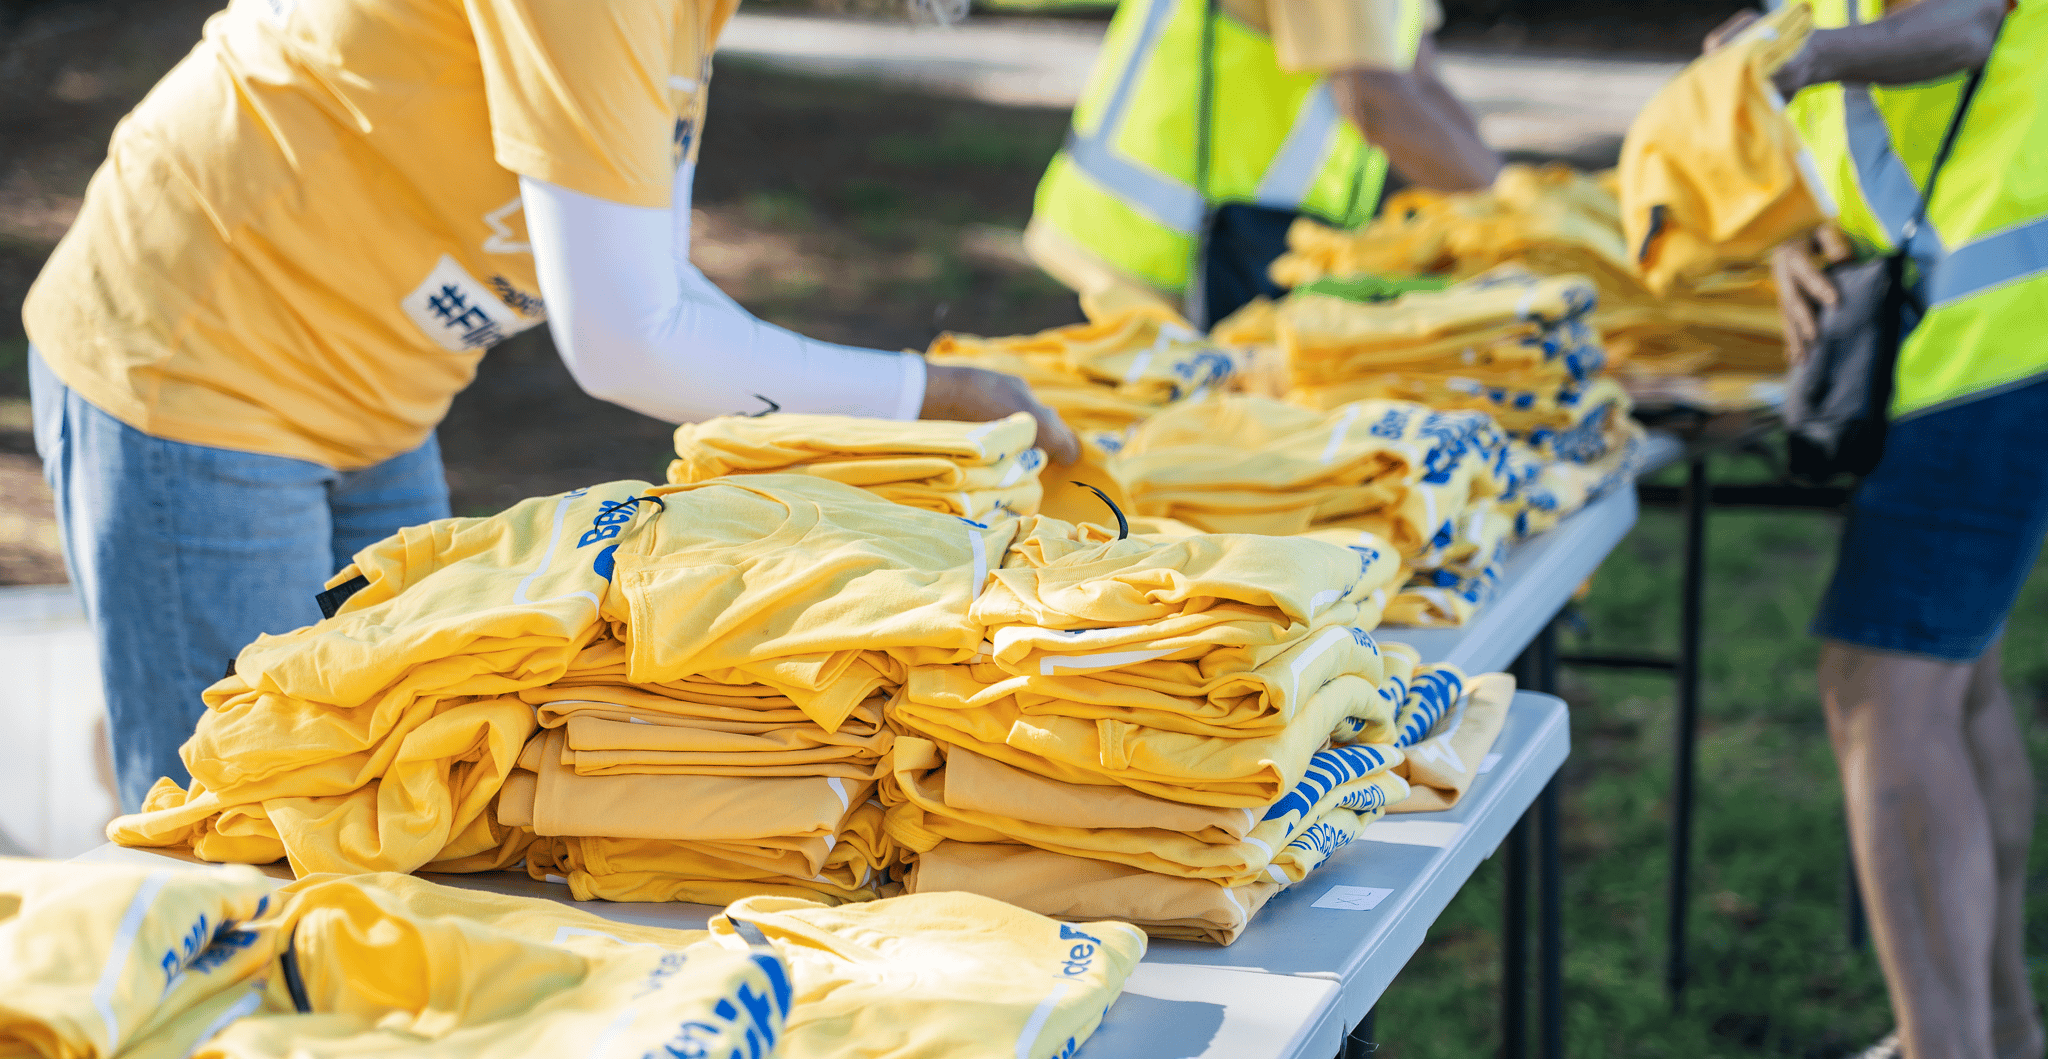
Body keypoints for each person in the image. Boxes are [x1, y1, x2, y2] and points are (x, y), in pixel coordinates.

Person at [23, 0, 1078, 815]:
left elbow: (644, 275)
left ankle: (143, 728)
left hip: (378, 396)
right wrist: (926, 398)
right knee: (246, 836)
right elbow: (625, 341)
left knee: (401, 794)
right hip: (196, 368)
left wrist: (902, 403)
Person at [1702, 0, 2048, 1059]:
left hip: (1990, 339)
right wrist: (1808, 227)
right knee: (1952, 682)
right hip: (1971, 324)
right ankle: (1992, 1040)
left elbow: (1958, 23)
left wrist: (1783, 62)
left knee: (1881, 692)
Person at [1024, 0, 1500, 328]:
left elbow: (1415, 75)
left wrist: (1519, 199)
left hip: (1212, 248)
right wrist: (1515, 217)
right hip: (1166, 260)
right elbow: (1376, 103)